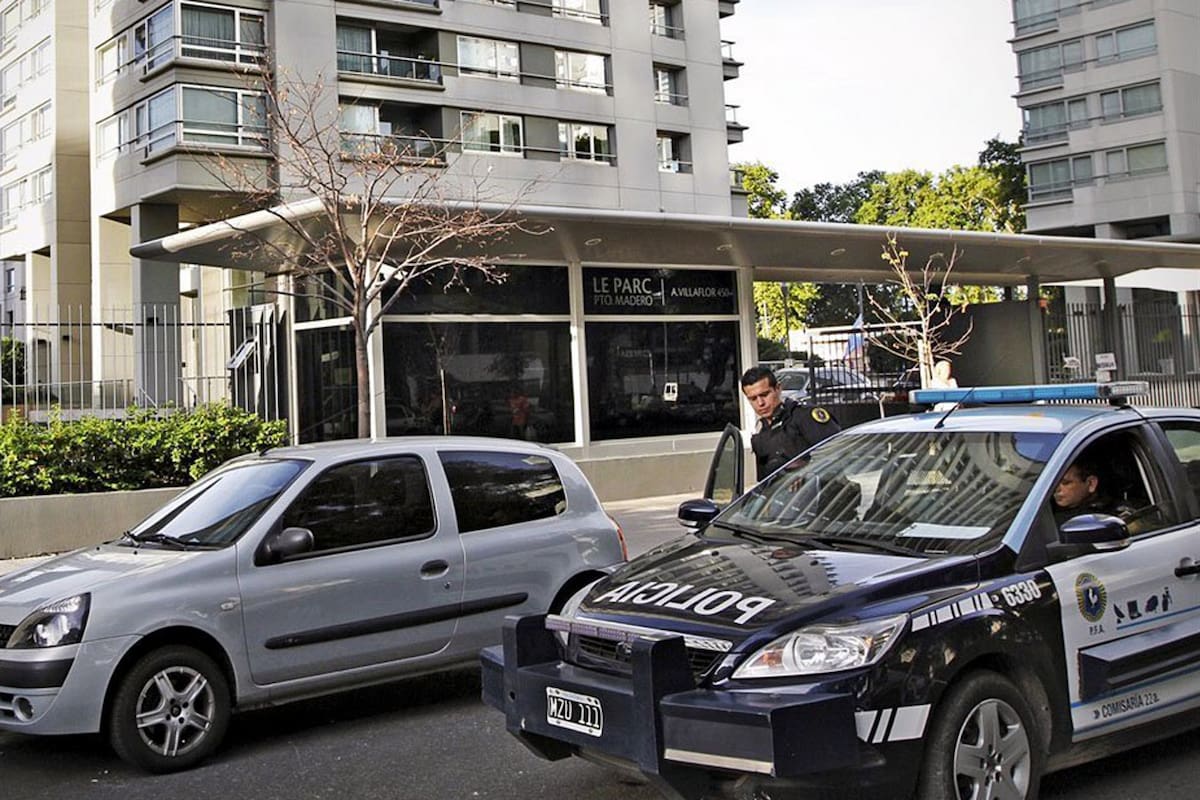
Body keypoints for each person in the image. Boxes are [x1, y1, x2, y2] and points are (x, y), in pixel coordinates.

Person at [740, 366, 840, 479]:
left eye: (764, 395)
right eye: (753, 399)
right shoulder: (761, 431)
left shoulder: (804, 416)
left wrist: (806, 473)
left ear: (778, 389)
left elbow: (837, 453)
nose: (760, 403)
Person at [1052, 458, 1134, 525]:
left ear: (1091, 483)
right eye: (1053, 483)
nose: (1056, 489)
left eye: (1065, 483)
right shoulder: (1045, 509)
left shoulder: (1112, 516)